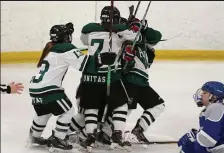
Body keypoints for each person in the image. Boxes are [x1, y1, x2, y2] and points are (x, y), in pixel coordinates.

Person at [27, 23, 116, 152]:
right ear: (65, 37)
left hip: (35, 88)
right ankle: (58, 138)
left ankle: (34, 136)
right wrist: (101, 59)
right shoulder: (66, 48)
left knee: (44, 111)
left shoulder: (51, 47)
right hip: (49, 89)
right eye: (68, 34)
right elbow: (84, 64)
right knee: (67, 111)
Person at [73, 5, 143, 151]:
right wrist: (134, 24)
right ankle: (117, 134)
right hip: (110, 77)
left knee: (91, 108)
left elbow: (85, 38)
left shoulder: (90, 29)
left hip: (89, 77)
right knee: (121, 105)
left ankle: (90, 136)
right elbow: (136, 37)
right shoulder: (120, 32)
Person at [178, 81, 224, 153]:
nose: (201, 94)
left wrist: (193, 137)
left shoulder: (216, 107)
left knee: (189, 146)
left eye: (205, 93)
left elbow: (208, 140)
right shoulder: (215, 109)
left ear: (213, 97)